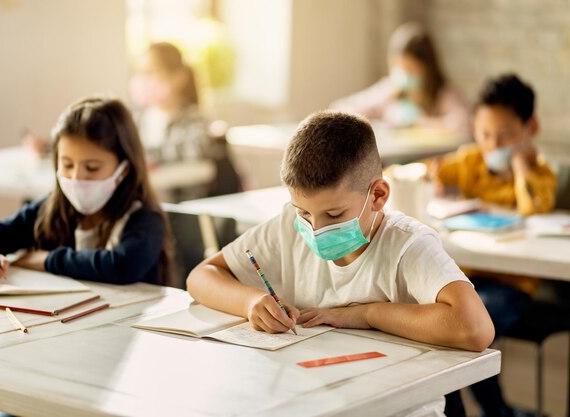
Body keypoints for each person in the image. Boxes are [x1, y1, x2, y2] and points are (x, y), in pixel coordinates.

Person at [187, 110, 494, 417]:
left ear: (378, 195)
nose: (316, 229)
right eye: (304, 214)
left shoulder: (406, 244)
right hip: (318, 402)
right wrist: (251, 302)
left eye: (333, 216)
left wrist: (368, 314)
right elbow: (202, 276)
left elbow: (475, 329)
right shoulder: (286, 227)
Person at [432, 74, 557, 417]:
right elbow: (436, 173)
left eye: (505, 137)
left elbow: (533, 205)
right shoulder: (471, 161)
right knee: (443, 341)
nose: (493, 145)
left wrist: (520, 165)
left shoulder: (540, 171)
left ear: (530, 127)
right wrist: (438, 179)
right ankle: (494, 411)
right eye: (485, 134)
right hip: (467, 279)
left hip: (512, 285)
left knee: (464, 337)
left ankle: (495, 411)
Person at [0, 97, 173, 286]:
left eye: (92, 168)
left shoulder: (145, 218)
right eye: (67, 165)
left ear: (123, 169)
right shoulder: (52, 208)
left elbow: (122, 265)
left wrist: (47, 260)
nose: (76, 178)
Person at [330, 22, 470, 138]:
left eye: (410, 69)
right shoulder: (390, 90)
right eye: (398, 68)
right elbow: (342, 109)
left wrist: (419, 122)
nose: (404, 75)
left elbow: (465, 125)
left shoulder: (444, 94)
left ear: (428, 68)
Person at [129, 41, 209, 168]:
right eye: (139, 72)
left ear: (179, 77)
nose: (142, 79)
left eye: (150, 72)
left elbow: (193, 151)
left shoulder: (195, 118)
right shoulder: (133, 117)